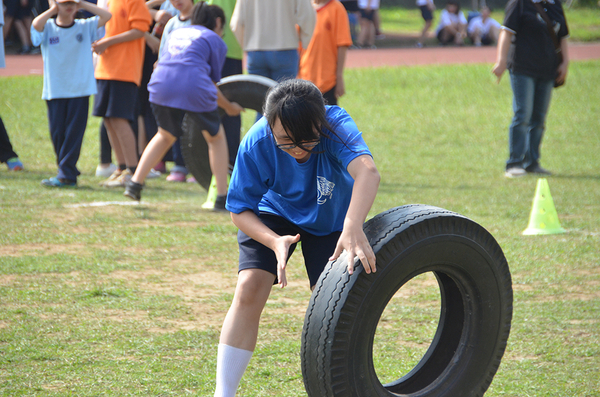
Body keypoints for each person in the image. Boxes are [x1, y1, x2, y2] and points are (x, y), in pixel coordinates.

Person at [213, 79, 380, 397]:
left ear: (321, 122)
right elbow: (239, 210)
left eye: (306, 141)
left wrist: (353, 225)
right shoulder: (257, 141)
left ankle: (340, 389)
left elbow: (367, 172)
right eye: (286, 143)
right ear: (270, 127)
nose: (298, 151)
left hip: (332, 219)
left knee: (334, 306)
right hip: (274, 213)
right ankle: (224, 393)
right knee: (249, 287)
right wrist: (274, 241)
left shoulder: (335, 126)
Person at [123, 2, 243, 206]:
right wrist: (229, 107)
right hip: (192, 85)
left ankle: (135, 184)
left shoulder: (177, 32)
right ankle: (222, 197)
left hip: (159, 84)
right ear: (218, 22)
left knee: (165, 134)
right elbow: (212, 85)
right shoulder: (215, 39)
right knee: (215, 138)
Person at [31, 0, 111, 187]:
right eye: (65, 3)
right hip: (55, 89)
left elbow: (107, 16)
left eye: (71, 3)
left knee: (73, 133)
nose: (69, 7)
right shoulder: (48, 27)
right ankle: (67, 168)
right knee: (57, 132)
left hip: (79, 90)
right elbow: (36, 25)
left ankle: (66, 174)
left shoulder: (85, 26)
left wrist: (82, 4)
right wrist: (52, 9)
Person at [492, 0, 569, 178]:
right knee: (523, 114)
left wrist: (565, 62)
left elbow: (562, 36)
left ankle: (532, 162)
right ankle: (515, 163)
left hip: (547, 70)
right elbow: (507, 31)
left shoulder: (555, 4)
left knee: (539, 119)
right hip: (522, 68)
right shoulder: (519, 3)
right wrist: (501, 61)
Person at [92, 0, 152, 187]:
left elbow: (139, 30)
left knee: (119, 118)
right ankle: (121, 168)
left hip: (124, 70)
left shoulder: (135, 1)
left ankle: (133, 171)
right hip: (105, 68)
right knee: (109, 120)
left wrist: (108, 41)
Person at [230, 0, 315, 83]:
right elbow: (307, 16)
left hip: (255, 50)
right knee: (284, 95)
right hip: (285, 47)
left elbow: (236, 23)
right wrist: (305, 42)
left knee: (259, 95)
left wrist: (247, 45)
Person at [207, 0, 243, 170]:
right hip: (208, 43)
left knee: (231, 110)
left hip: (231, 47)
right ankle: (211, 162)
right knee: (210, 104)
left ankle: (232, 161)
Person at [298, 0, 352, 106]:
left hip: (328, 80)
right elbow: (297, 45)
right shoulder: (304, 8)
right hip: (304, 78)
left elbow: (342, 44)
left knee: (327, 119)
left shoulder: (337, 8)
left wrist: (339, 76)